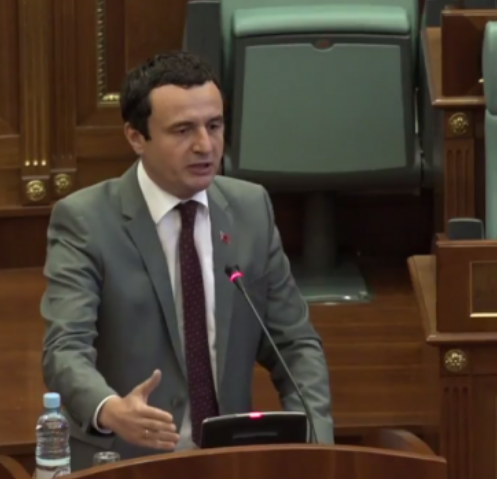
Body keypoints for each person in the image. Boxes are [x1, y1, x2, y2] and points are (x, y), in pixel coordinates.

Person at [41, 51, 333, 470]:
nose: (205, 145)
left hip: (227, 461)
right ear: (136, 137)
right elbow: (64, 348)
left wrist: (317, 447)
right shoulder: (86, 221)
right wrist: (110, 408)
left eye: (214, 126)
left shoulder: (251, 209)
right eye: (183, 130)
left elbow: (295, 344)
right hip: (125, 463)